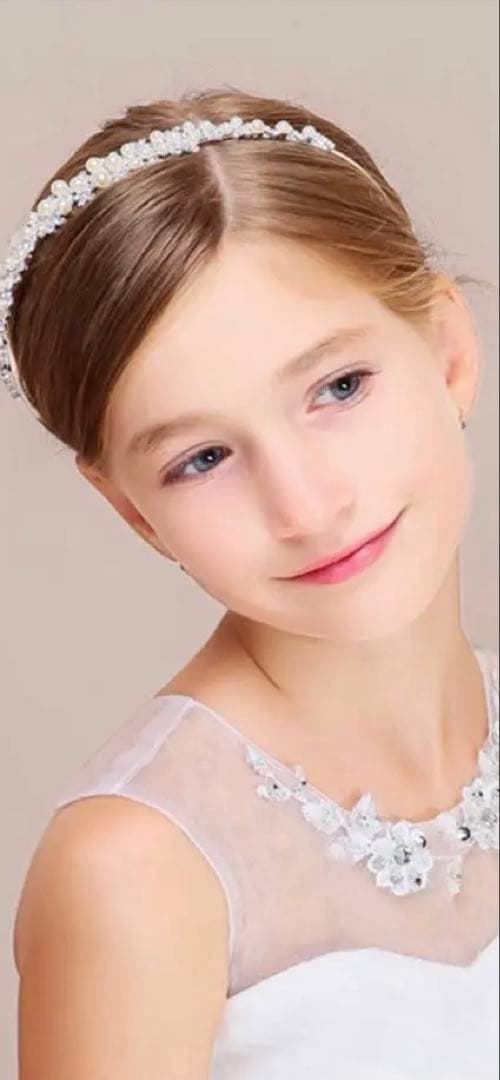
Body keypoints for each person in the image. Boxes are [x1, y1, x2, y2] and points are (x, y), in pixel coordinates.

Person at [5, 87, 498, 1079]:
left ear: (448, 352)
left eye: (337, 388)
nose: (306, 506)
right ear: (134, 512)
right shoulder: (136, 873)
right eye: (202, 458)